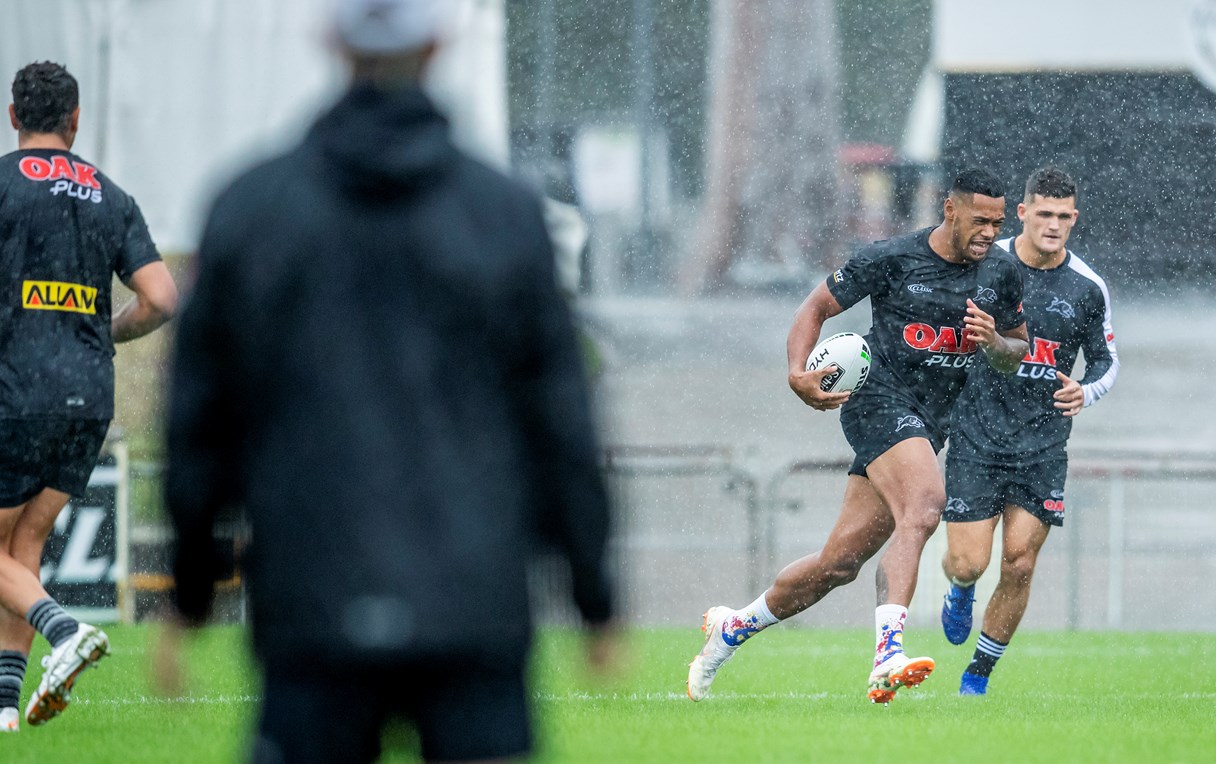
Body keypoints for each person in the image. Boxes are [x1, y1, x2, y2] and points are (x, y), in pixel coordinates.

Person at [163, 1, 617, 760]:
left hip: (312, 596)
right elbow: (560, 418)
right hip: (473, 602)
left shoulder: (253, 206)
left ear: (331, 42)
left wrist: (190, 587)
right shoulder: (502, 213)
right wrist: (593, 591)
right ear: (436, 45)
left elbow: (202, 418)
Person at [687, 169, 1029, 704]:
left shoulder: (1002, 273)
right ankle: (888, 655)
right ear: (950, 210)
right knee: (925, 505)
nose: (989, 232)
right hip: (876, 401)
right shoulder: (892, 258)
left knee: (838, 564)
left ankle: (731, 628)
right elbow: (816, 307)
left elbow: (1016, 349)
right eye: (980, 220)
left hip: (929, 425)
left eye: (997, 223)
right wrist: (797, 371)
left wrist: (993, 344)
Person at [0, 61, 179, 730]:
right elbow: (160, 298)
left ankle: (65, 630)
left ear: (13, 116)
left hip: (14, 388)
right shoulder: (111, 195)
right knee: (22, 547)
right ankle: (5, 710)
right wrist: (104, 333)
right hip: (88, 391)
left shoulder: (2, 185)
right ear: (75, 120)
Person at [937, 167, 1119, 695]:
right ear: (1022, 214)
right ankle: (960, 588)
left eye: (1063, 216)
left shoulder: (1087, 288)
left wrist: (1086, 391)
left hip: (1042, 445)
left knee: (1019, 562)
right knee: (970, 562)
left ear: (1074, 218)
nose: (1053, 225)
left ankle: (978, 675)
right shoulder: (985, 264)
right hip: (976, 437)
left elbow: (1107, 361)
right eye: (1044, 214)